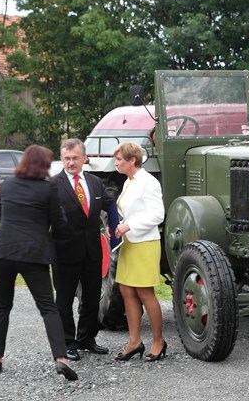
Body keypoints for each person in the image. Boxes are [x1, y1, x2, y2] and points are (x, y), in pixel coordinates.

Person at [0, 145, 77, 381]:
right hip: (33, 254)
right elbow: (60, 223)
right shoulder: (49, 188)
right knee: (48, 307)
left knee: (2, 305)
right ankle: (61, 359)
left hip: (3, 251)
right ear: (45, 166)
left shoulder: (8, 184)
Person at [51, 138, 117, 361]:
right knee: (64, 301)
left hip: (91, 253)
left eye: (75, 158)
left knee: (91, 299)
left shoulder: (95, 182)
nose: (71, 163)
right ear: (61, 159)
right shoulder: (52, 185)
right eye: (67, 158)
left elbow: (110, 204)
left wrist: (112, 225)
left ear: (84, 158)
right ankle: (68, 343)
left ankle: (87, 338)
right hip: (63, 253)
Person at [112, 142, 166, 362]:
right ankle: (134, 342)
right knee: (126, 290)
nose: (116, 163)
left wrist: (129, 225)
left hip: (144, 243)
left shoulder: (148, 182)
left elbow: (157, 215)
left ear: (132, 160)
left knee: (145, 293)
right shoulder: (129, 182)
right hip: (129, 243)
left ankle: (158, 342)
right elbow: (130, 212)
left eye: (119, 160)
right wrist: (118, 226)